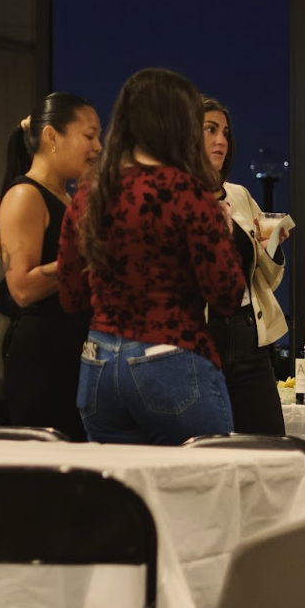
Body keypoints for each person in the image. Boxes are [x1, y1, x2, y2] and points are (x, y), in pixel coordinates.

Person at [57, 68, 246, 446]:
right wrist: (224, 234)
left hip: (99, 365)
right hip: (171, 359)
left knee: (123, 499)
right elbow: (226, 295)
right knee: (204, 492)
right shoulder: (185, 192)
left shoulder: (91, 193)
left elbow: (72, 295)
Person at [0, 93, 101, 441]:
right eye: (89, 135)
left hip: (74, 352)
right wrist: (88, 256)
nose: (98, 147)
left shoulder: (68, 199)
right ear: (52, 137)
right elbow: (22, 289)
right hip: (44, 358)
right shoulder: (25, 195)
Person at [202, 96, 289, 435]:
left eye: (225, 131)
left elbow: (267, 280)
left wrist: (271, 247)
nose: (221, 140)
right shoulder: (173, 198)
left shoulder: (236, 194)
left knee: (269, 443)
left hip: (249, 331)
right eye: (210, 130)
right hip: (201, 336)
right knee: (208, 448)